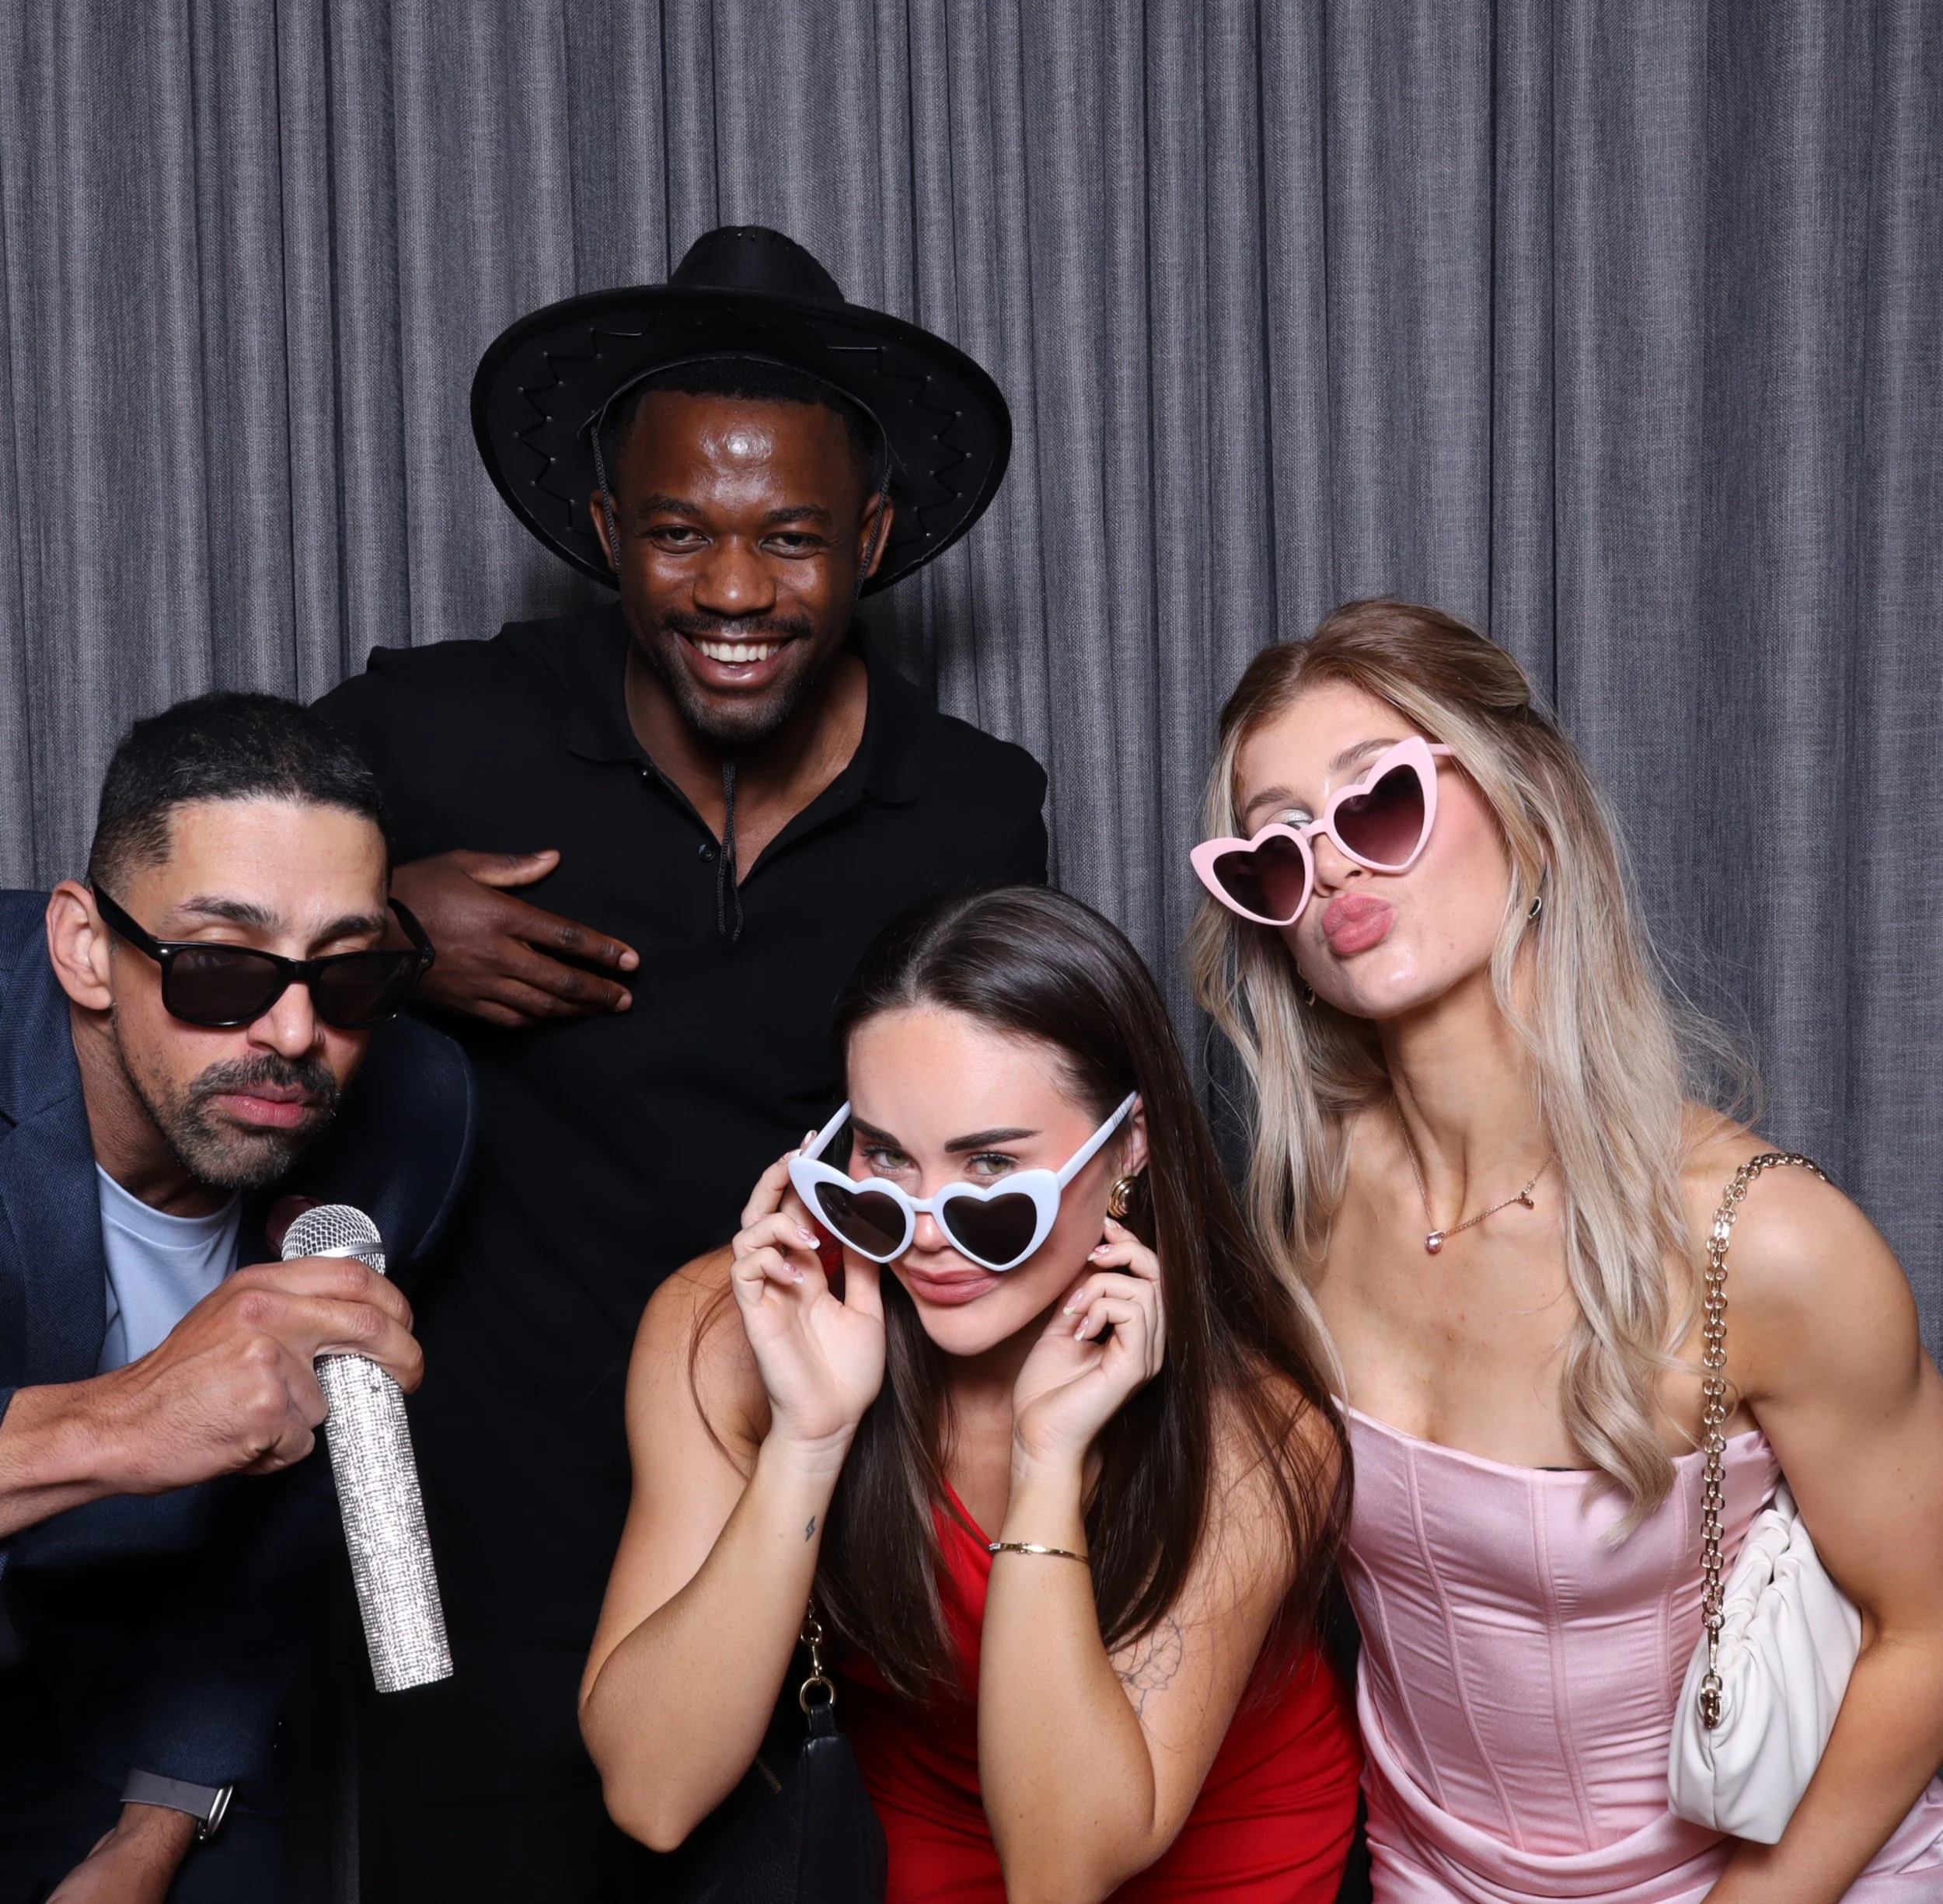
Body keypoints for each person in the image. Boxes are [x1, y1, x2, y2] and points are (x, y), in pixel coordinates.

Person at [316, 225, 1047, 1897]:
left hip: (813, 1569)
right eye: (678, 532)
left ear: (866, 539)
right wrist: (385, 927)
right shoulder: (434, 732)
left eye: (790, 536)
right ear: (603, 535)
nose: (732, 588)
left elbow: (1026, 1149)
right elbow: (167, 924)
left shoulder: (975, 803)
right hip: (475, 1563)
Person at [1186, 598, 1943, 1902]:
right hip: (1427, 1872)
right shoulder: (1300, 1216)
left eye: (1379, 805)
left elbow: (1927, 1633)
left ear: (1528, 814)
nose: (1336, 872)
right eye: (1278, 850)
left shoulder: (1763, 1242)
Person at [583, 885, 1362, 1903]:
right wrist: (808, 1440)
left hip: (1195, 1866)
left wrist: (1049, 1466)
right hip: (911, 1854)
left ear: (1129, 1149)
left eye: (993, 1170)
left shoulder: (1251, 1430)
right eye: (882, 1160)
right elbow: (653, 1792)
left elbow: (1062, 1870)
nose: (928, 1228)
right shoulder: (737, 1328)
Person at [0, 692, 473, 1904]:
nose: (297, 1031)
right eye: (218, 967)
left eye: (351, 972)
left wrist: (149, 1833)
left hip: (146, 1693)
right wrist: (122, 1422)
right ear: (83, 948)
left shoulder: (412, 1109)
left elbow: (284, 1531)